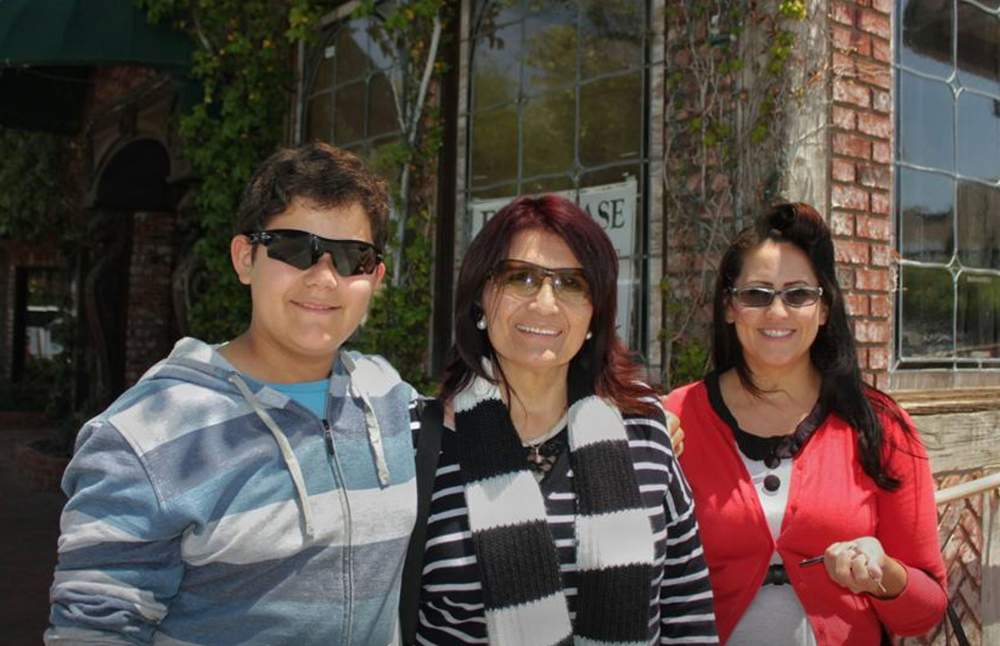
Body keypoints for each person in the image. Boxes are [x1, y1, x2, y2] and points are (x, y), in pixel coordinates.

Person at [47, 143, 420, 645]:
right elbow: (93, 630)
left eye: (353, 258)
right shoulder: (145, 436)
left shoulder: (390, 399)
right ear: (246, 258)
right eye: (294, 247)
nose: (325, 277)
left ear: (374, 279)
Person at [411, 195, 718, 645]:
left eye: (572, 284)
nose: (546, 303)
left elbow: (686, 612)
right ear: (480, 296)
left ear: (595, 314)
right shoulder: (421, 446)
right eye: (522, 277)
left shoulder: (646, 437)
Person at [663, 203, 947, 644]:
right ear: (729, 307)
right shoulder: (675, 419)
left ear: (825, 308)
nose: (777, 312)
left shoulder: (881, 425)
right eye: (757, 294)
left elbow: (925, 611)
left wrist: (883, 574)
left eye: (798, 295)